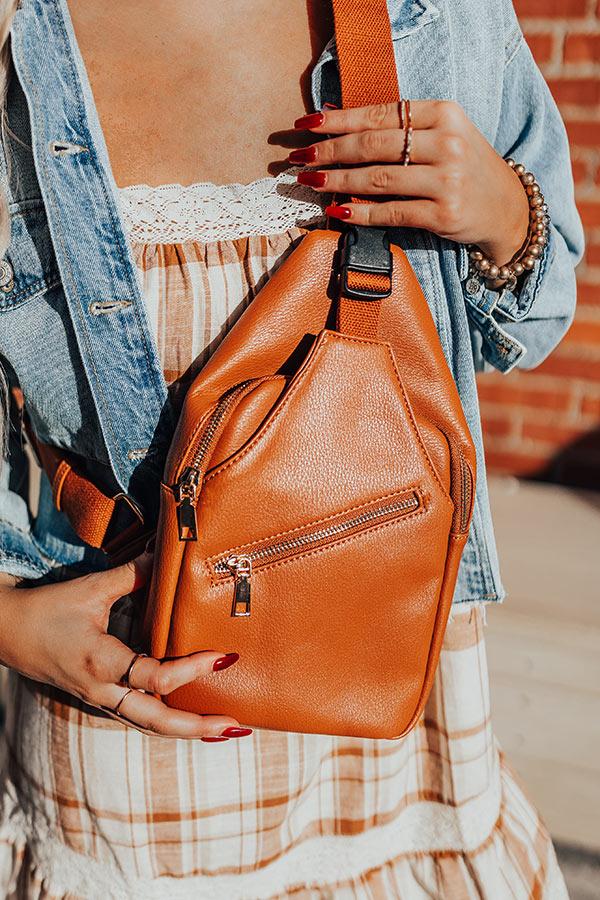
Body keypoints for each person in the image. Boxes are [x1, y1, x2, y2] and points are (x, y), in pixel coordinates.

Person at [0, 0, 584, 896]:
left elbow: (533, 322)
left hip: (397, 693)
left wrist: (504, 210)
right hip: (130, 715)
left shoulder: (438, 16)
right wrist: (9, 624)